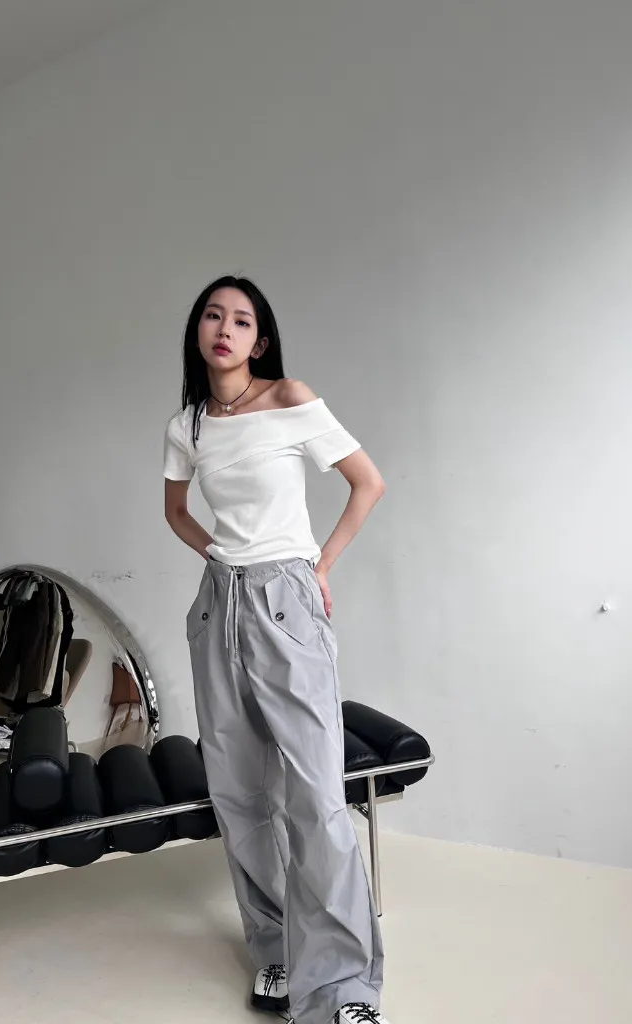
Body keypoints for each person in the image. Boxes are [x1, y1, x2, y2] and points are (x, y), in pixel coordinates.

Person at [163, 276, 390, 1024]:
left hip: (285, 601)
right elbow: (175, 510)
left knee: (316, 798)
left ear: (259, 340)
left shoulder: (291, 398)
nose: (224, 328)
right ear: (199, 331)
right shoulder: (187, 426)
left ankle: (344, 988)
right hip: (219, 604)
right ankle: (276, 952)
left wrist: (317, 567)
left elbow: (367, 483)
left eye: (241, 320)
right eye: (213, 315)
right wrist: (218, 554)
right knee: (240, 795)